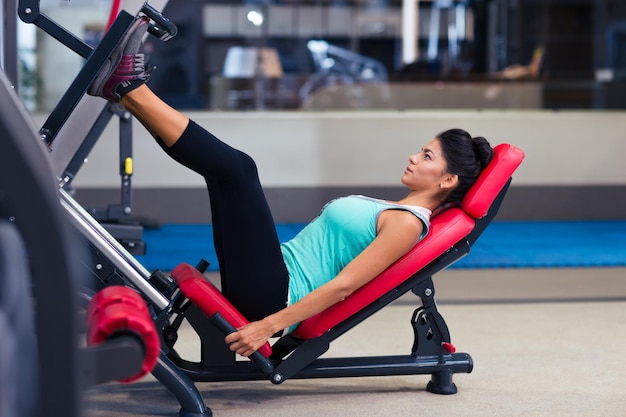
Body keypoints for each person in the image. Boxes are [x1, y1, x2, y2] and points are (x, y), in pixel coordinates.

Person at [88, 16, 494, 358]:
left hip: (273, 295)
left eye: (427, 157)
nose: (413, 157)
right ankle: (125, 91)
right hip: (270, 275)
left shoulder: (408, 223)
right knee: (224, 172)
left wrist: (267, 326)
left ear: (447, 180)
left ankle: (128, 87)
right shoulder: (396, 208)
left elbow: (345, 286)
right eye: (420, 150)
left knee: (239, 169)